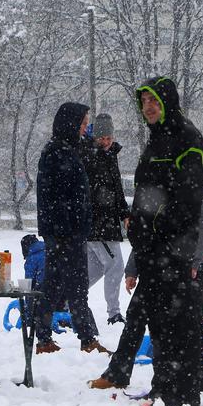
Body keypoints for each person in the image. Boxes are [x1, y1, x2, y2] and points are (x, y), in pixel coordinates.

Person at [127, 77, 203, 406]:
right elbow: (145, 195)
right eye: (144, 100)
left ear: (167, 102)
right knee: (158, 321)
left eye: (154, 100)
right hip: (151, 249)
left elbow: (188, 198)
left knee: (180, 321)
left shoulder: (188, 138)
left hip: (174, 248)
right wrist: (135, 225)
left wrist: (159, 226)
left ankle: (184, 394)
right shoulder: (154, 141)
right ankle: (163, 386)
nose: (148, 106)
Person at [89, 187, 203, 395]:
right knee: (136, 317)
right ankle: (117, 374)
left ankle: (198, 378)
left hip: (187, 266)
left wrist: (195, 260)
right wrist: (132, 270)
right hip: (154, 265)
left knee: (192, 320)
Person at [34, 102, 107, 354]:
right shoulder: (58, 153)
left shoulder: (65, 150)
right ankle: (86, 338)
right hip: (66, 232)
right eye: (83, 124)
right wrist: (71, 227)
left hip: (65, 231)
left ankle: (44, 337)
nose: (85, 129)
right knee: (76, 285)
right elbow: (58, 197)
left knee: (54, 285)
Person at [82, 113, 129, 325]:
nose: (106, 142)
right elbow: (93, 192)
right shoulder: (90, 156)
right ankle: (114, 313)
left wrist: (124, 213)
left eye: (109, 138)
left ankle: (65, 299)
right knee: (116, 265)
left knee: (97, 268)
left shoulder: (110, 156)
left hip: (105, 224)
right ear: (95, 137)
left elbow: (117, 189)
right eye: (102, 138)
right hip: (98, 225)